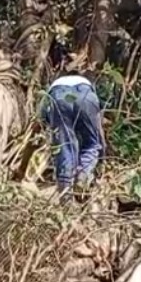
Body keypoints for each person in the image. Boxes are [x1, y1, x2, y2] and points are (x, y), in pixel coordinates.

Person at [39, 58, 106, 195]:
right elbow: (99, 132)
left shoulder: (53, 86)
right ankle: (83, 175)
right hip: (86, 96)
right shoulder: (87, 83)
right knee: (92, 143)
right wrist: (103, 153)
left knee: (64, 144)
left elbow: (42, 120)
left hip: (59, 96)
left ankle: (65, 188)